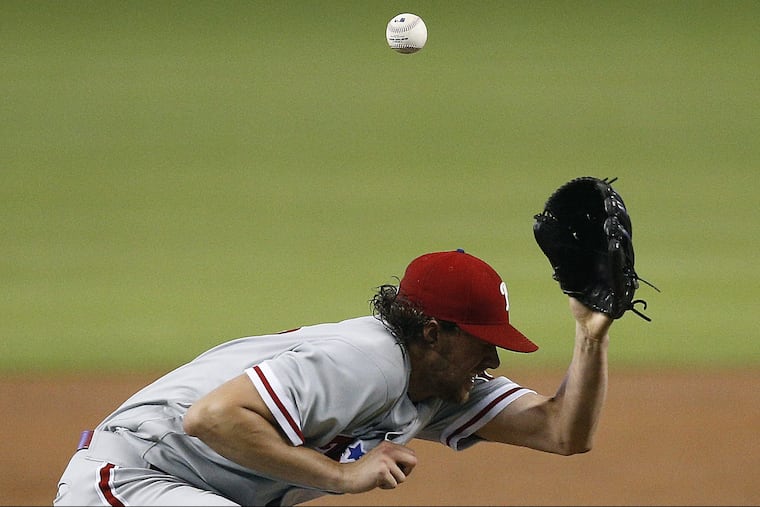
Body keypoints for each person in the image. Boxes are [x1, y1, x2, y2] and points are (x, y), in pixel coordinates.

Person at [54, 249, 612, 506]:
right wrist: (341, 476)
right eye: (482, 341)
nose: (492, 360)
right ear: (432, 333)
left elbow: (563, 432)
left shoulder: (439, 385)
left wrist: (591, 337)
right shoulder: (369, 360)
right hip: (129, 479)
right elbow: (213, 417)